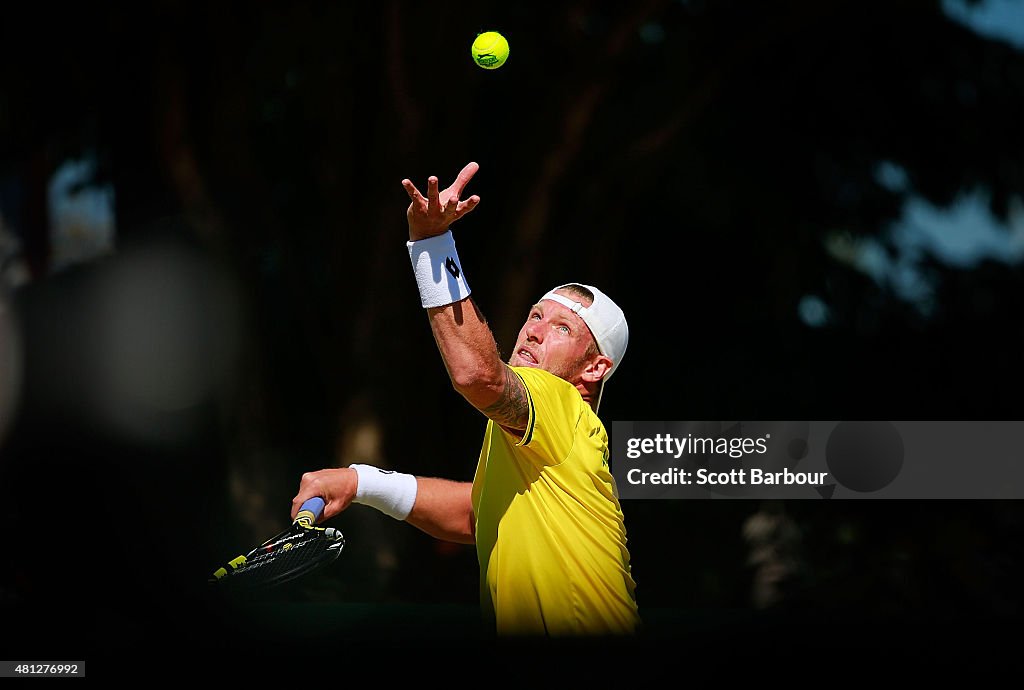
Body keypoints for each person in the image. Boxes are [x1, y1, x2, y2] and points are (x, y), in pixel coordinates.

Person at [291, 161, 640, 636]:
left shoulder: (562, 404)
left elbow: (479, 376)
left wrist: (432, 245)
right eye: (536, 315)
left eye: (562, 328)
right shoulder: (533, 455)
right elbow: (476, 514)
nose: (535, 331)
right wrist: (361, 481)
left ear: (593, 370)